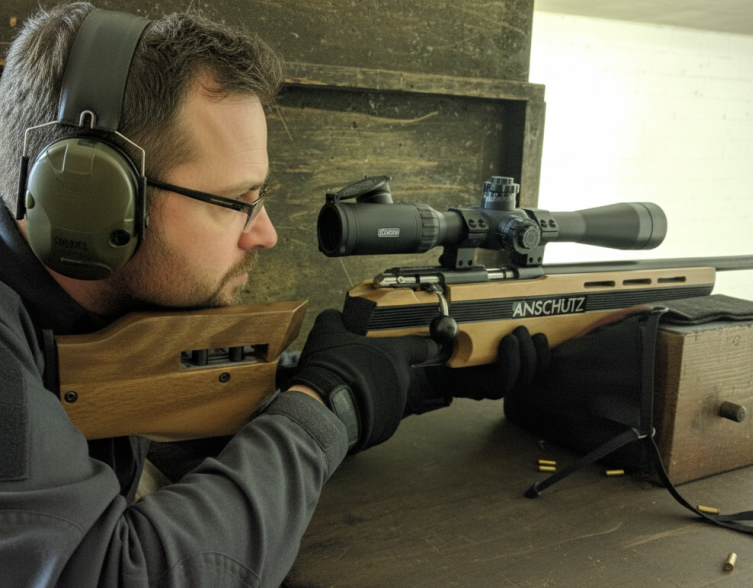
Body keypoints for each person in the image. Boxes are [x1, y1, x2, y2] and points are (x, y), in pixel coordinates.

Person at [0, 4, 545, 586]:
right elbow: (114, 572)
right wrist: (322, 407)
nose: (265, 232)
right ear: (91, 198)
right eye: (238, 201)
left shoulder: (80, 318)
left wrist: (408, 380)